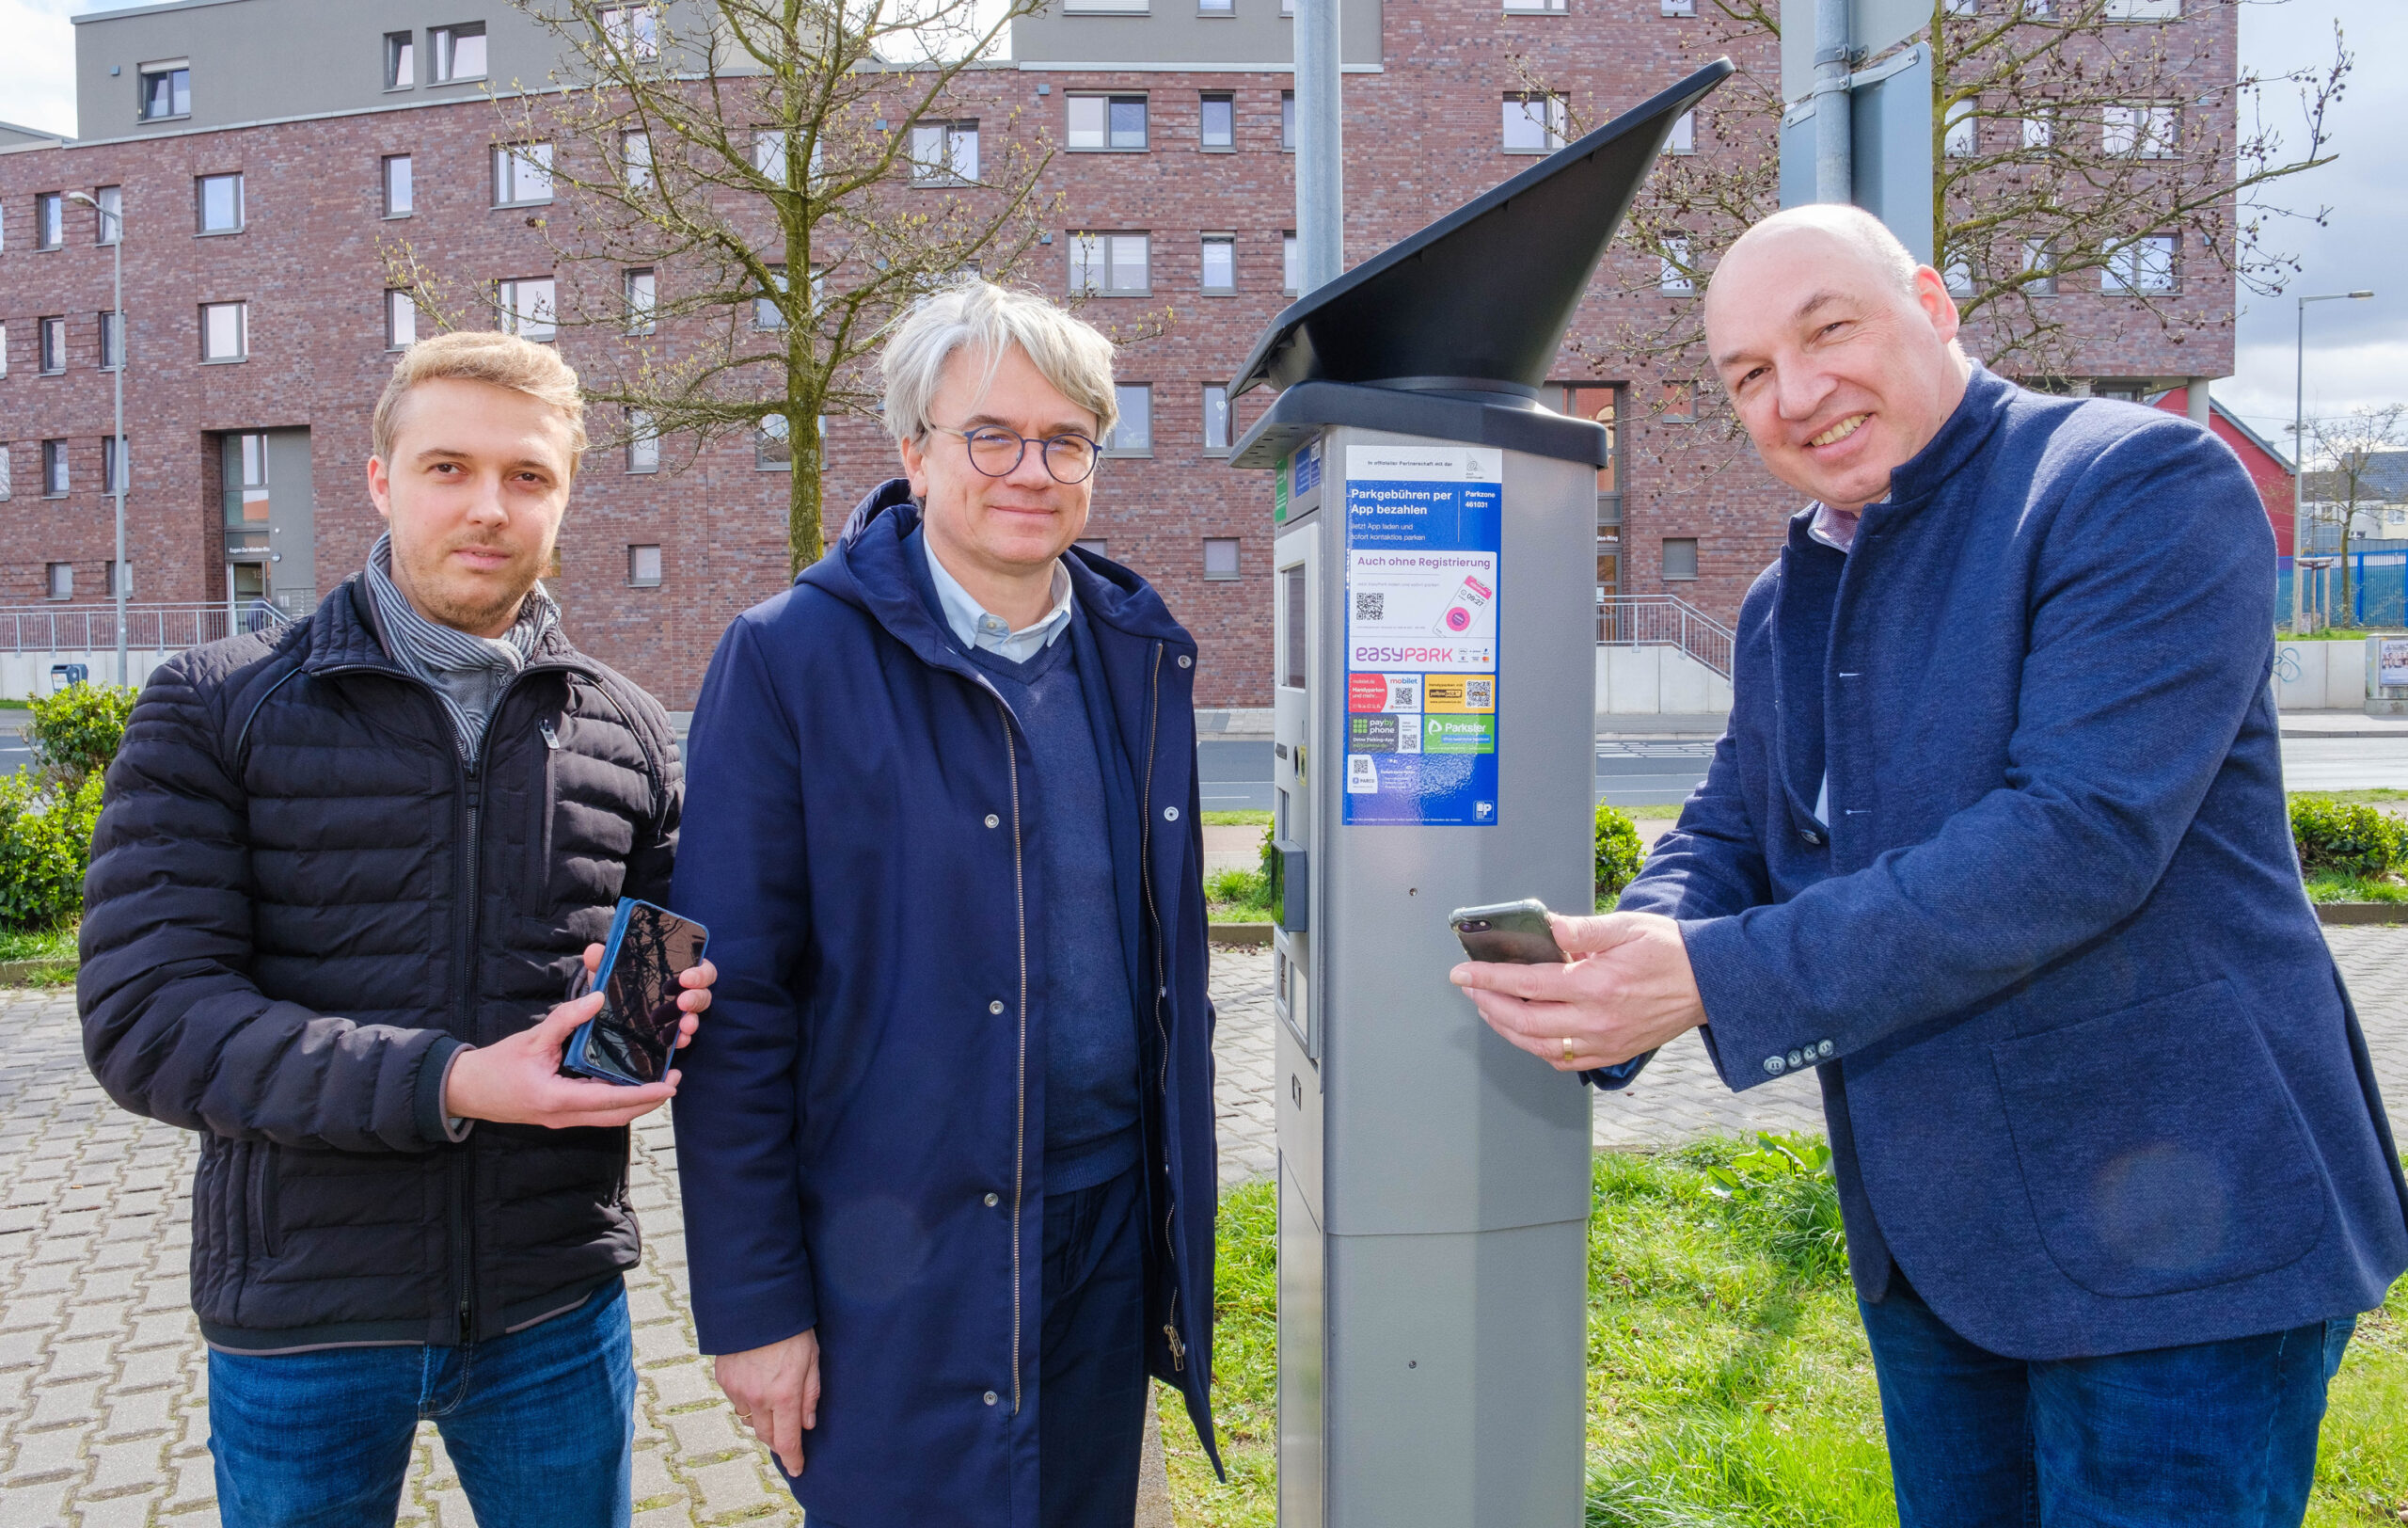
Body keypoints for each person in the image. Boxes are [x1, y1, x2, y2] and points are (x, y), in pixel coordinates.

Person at [1451, 205, 2408, 1526]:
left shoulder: (2132, 484)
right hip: (1941, 1242)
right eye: (1747, 376)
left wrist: (1713, 978)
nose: (1796, 394)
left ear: (1934, 304)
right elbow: (1735, 829)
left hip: (2187, 1242)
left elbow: (2077, 840)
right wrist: (1624, 959)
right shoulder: (1793, 591)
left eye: (1826, 330)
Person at [79, 330, 715, 1528]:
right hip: (303, 1320)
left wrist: (678, 1003)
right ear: (378, 479)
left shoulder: (626, 732)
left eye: (528, 476)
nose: (489, 507)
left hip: (554, 1306)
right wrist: (458, 1081)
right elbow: (148, 1020)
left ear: (567, 495)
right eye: (447, 468)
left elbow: (689, 972)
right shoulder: (219, 704)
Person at [669, 279, 1222, 1528]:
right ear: (913, 453)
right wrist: (757, 1310)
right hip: (897, 1251)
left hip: (1106, 1224)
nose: (1033, 469)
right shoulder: (786, 658)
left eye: (1067, 439)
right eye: (991, 434)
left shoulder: (1142, 655)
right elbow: (737, 1010)